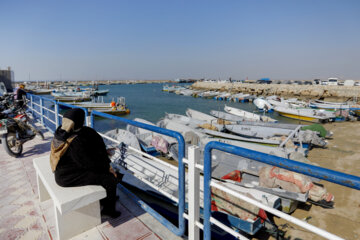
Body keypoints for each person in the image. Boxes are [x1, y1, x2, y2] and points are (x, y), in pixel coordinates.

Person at [50, 108, 121, 218]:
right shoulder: (74, 141)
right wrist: (107, 168)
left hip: (72, 167)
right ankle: (108, 209)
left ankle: (107, 197)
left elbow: (95, 142)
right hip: (66, 176)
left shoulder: (63, 131)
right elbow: (88, 164)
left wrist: (105, 162)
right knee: (109, 179)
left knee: (106, 174)